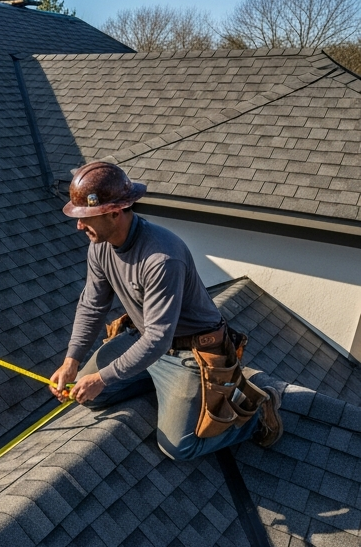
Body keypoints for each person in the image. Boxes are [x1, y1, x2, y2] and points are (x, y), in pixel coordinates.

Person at [49, 161, 283, 460]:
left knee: (179, 447)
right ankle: (153, 381)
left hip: (188, 353)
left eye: (86, 218)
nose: (79, 225)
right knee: (87, 396)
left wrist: (103, 377)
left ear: (115, 212)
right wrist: (72, 360)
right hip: (143, 340)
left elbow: (159, 338)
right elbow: (92, 305)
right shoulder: (100, 245)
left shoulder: (161, 257)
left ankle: (256, 416)